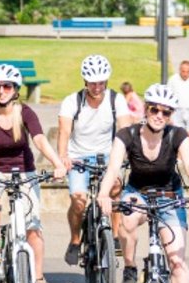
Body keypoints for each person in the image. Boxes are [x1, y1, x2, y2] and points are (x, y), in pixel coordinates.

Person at [98, 82, 189, 283]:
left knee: (177, 260)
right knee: (126, 219)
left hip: (170, 195)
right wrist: (104, 194)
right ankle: (130, 267)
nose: (160, 115)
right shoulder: (128, 135)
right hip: (138, 190)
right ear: (145, 109)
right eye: (155, 109)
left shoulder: (177, 135)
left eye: (166, 112)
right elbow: (113, 168)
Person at [0, 62, 66, 283]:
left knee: (33, 226)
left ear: (15, 89)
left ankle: (38, 278)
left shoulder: (25, 112)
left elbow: (39, 139)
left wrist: (57, 163)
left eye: (6, 86)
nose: (1, 90)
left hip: (25, 171)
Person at [57, 54, 135, 267]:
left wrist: (129, 155)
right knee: (79, 200)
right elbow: (64, 132)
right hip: (78, 157)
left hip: (108, 155)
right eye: (93, 83)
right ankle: (75, 239)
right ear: (85, 81)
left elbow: (126, 129)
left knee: (117, 188)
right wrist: (63, 158)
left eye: (101, 82)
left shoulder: (115, 99)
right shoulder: (72, 101)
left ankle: (115, 234)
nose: (97, 87)